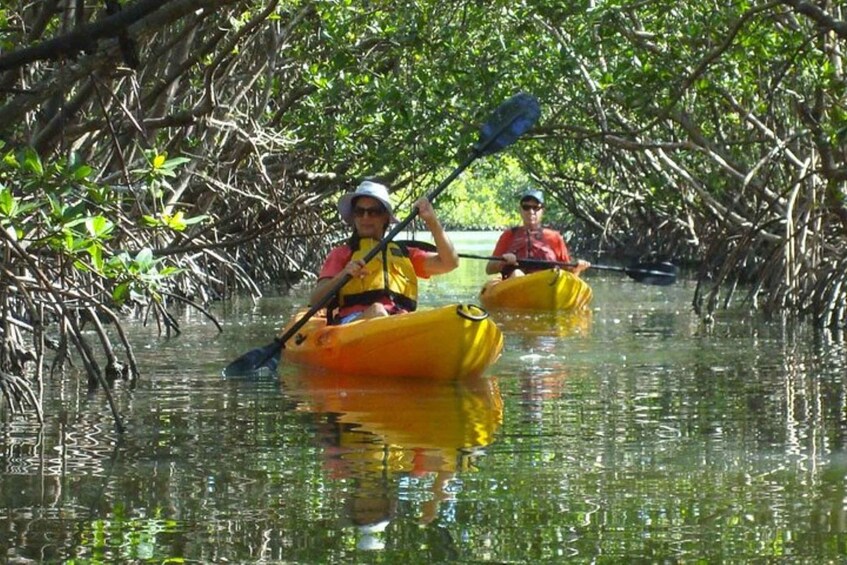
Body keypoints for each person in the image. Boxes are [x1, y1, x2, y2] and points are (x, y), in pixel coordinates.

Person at [310, 180, 459, 324]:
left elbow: (450, 263)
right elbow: (316, 301)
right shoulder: (341, 253)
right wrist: (344, 275)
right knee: (377, 311)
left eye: (373, 212)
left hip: (400, 321)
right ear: (354, 216)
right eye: (359, 212)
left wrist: (432, 221)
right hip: (353, 323)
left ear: (385, 218)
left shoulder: (405, 253)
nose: (365, 217)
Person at [485, 188, 590, 278]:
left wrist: (577, 268)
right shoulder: (508, 235)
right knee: (517, 273)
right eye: (526, 207)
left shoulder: (554, 237)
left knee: (556, 275)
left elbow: (567, 270)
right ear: (520, 210)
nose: (531, 212)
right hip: (516, 283)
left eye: (535, 208)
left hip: (548, 281)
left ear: (542, 210)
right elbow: (489, 269)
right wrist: (502, 261)